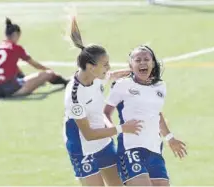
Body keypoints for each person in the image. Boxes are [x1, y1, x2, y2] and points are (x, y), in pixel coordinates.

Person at [64, 15, 143, 186]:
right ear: (91, 67)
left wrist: (134, 72)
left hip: (104, 142)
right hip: (83, 149)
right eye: (105, 64)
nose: (109, 68)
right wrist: (122, 128)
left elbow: (111, 75)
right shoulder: (75, 96)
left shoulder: (96, 76)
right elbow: (89, 134)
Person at [104, 45, 187, 186]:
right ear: (131, 65)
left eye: (146, 59)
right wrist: (114, 129)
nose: (142, 62)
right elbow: (105, 113)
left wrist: (170, 138)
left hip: (154, 150)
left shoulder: (160, 86)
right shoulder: (122, 85)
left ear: (153, 63)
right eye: (138, 60)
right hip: (131, 149)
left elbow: (156, 114)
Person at [0, 18, 69, 98]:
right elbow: (35, 65)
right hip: (11, 90)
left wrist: (23, 77)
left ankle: (24, 82)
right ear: (16, 34)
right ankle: (65, 82)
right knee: (48, 74)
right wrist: (49, 70)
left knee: (20, 76)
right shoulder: (15, 48)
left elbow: (8, 66)